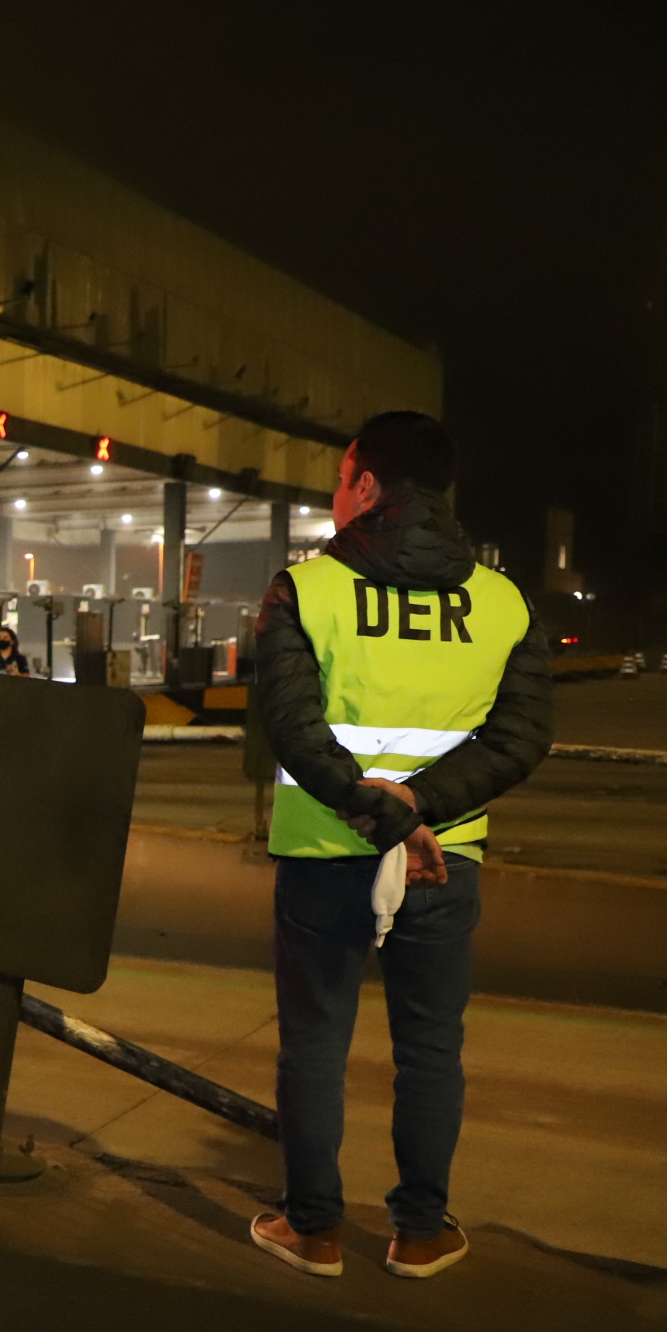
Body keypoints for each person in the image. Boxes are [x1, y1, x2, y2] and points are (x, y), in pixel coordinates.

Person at [252, 410, 551, 1280]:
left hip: (322, 851)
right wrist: (419, 810)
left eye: (343, 478)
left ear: (370, 485)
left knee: (314, 1042)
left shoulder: (304, 590)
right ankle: (420, 1231)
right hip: (442, 858)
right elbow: (522, 737)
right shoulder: (503, 602)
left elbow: (293, 731)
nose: (336, 495)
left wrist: (376, 808)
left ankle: (313, 1230)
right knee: (429, 1048)